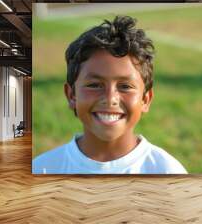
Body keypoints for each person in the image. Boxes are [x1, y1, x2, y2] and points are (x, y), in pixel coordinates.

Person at [32, 16, 187, 174]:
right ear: (72, 95)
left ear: (145, 100)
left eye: (125, 86)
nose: (110, 98)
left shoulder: (167, 172)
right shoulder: (42, 169)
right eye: (94, 85)